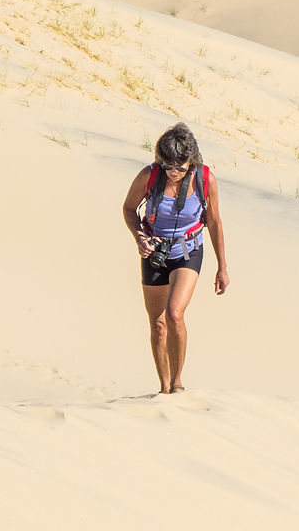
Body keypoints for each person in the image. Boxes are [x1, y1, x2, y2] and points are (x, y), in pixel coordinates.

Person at [121, 122, 229, 394]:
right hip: (155, 251)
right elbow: (129, 208)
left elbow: (214, 223)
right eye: (168, 166)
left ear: (191, 162)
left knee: (174, 313)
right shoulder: (149, 175)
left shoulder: (206, 179)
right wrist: (140, 238)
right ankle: (164, 388)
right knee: (157, 324)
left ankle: (178, 383)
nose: (174, 173)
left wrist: (222, 267)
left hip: (188, 251)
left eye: (180, 168)